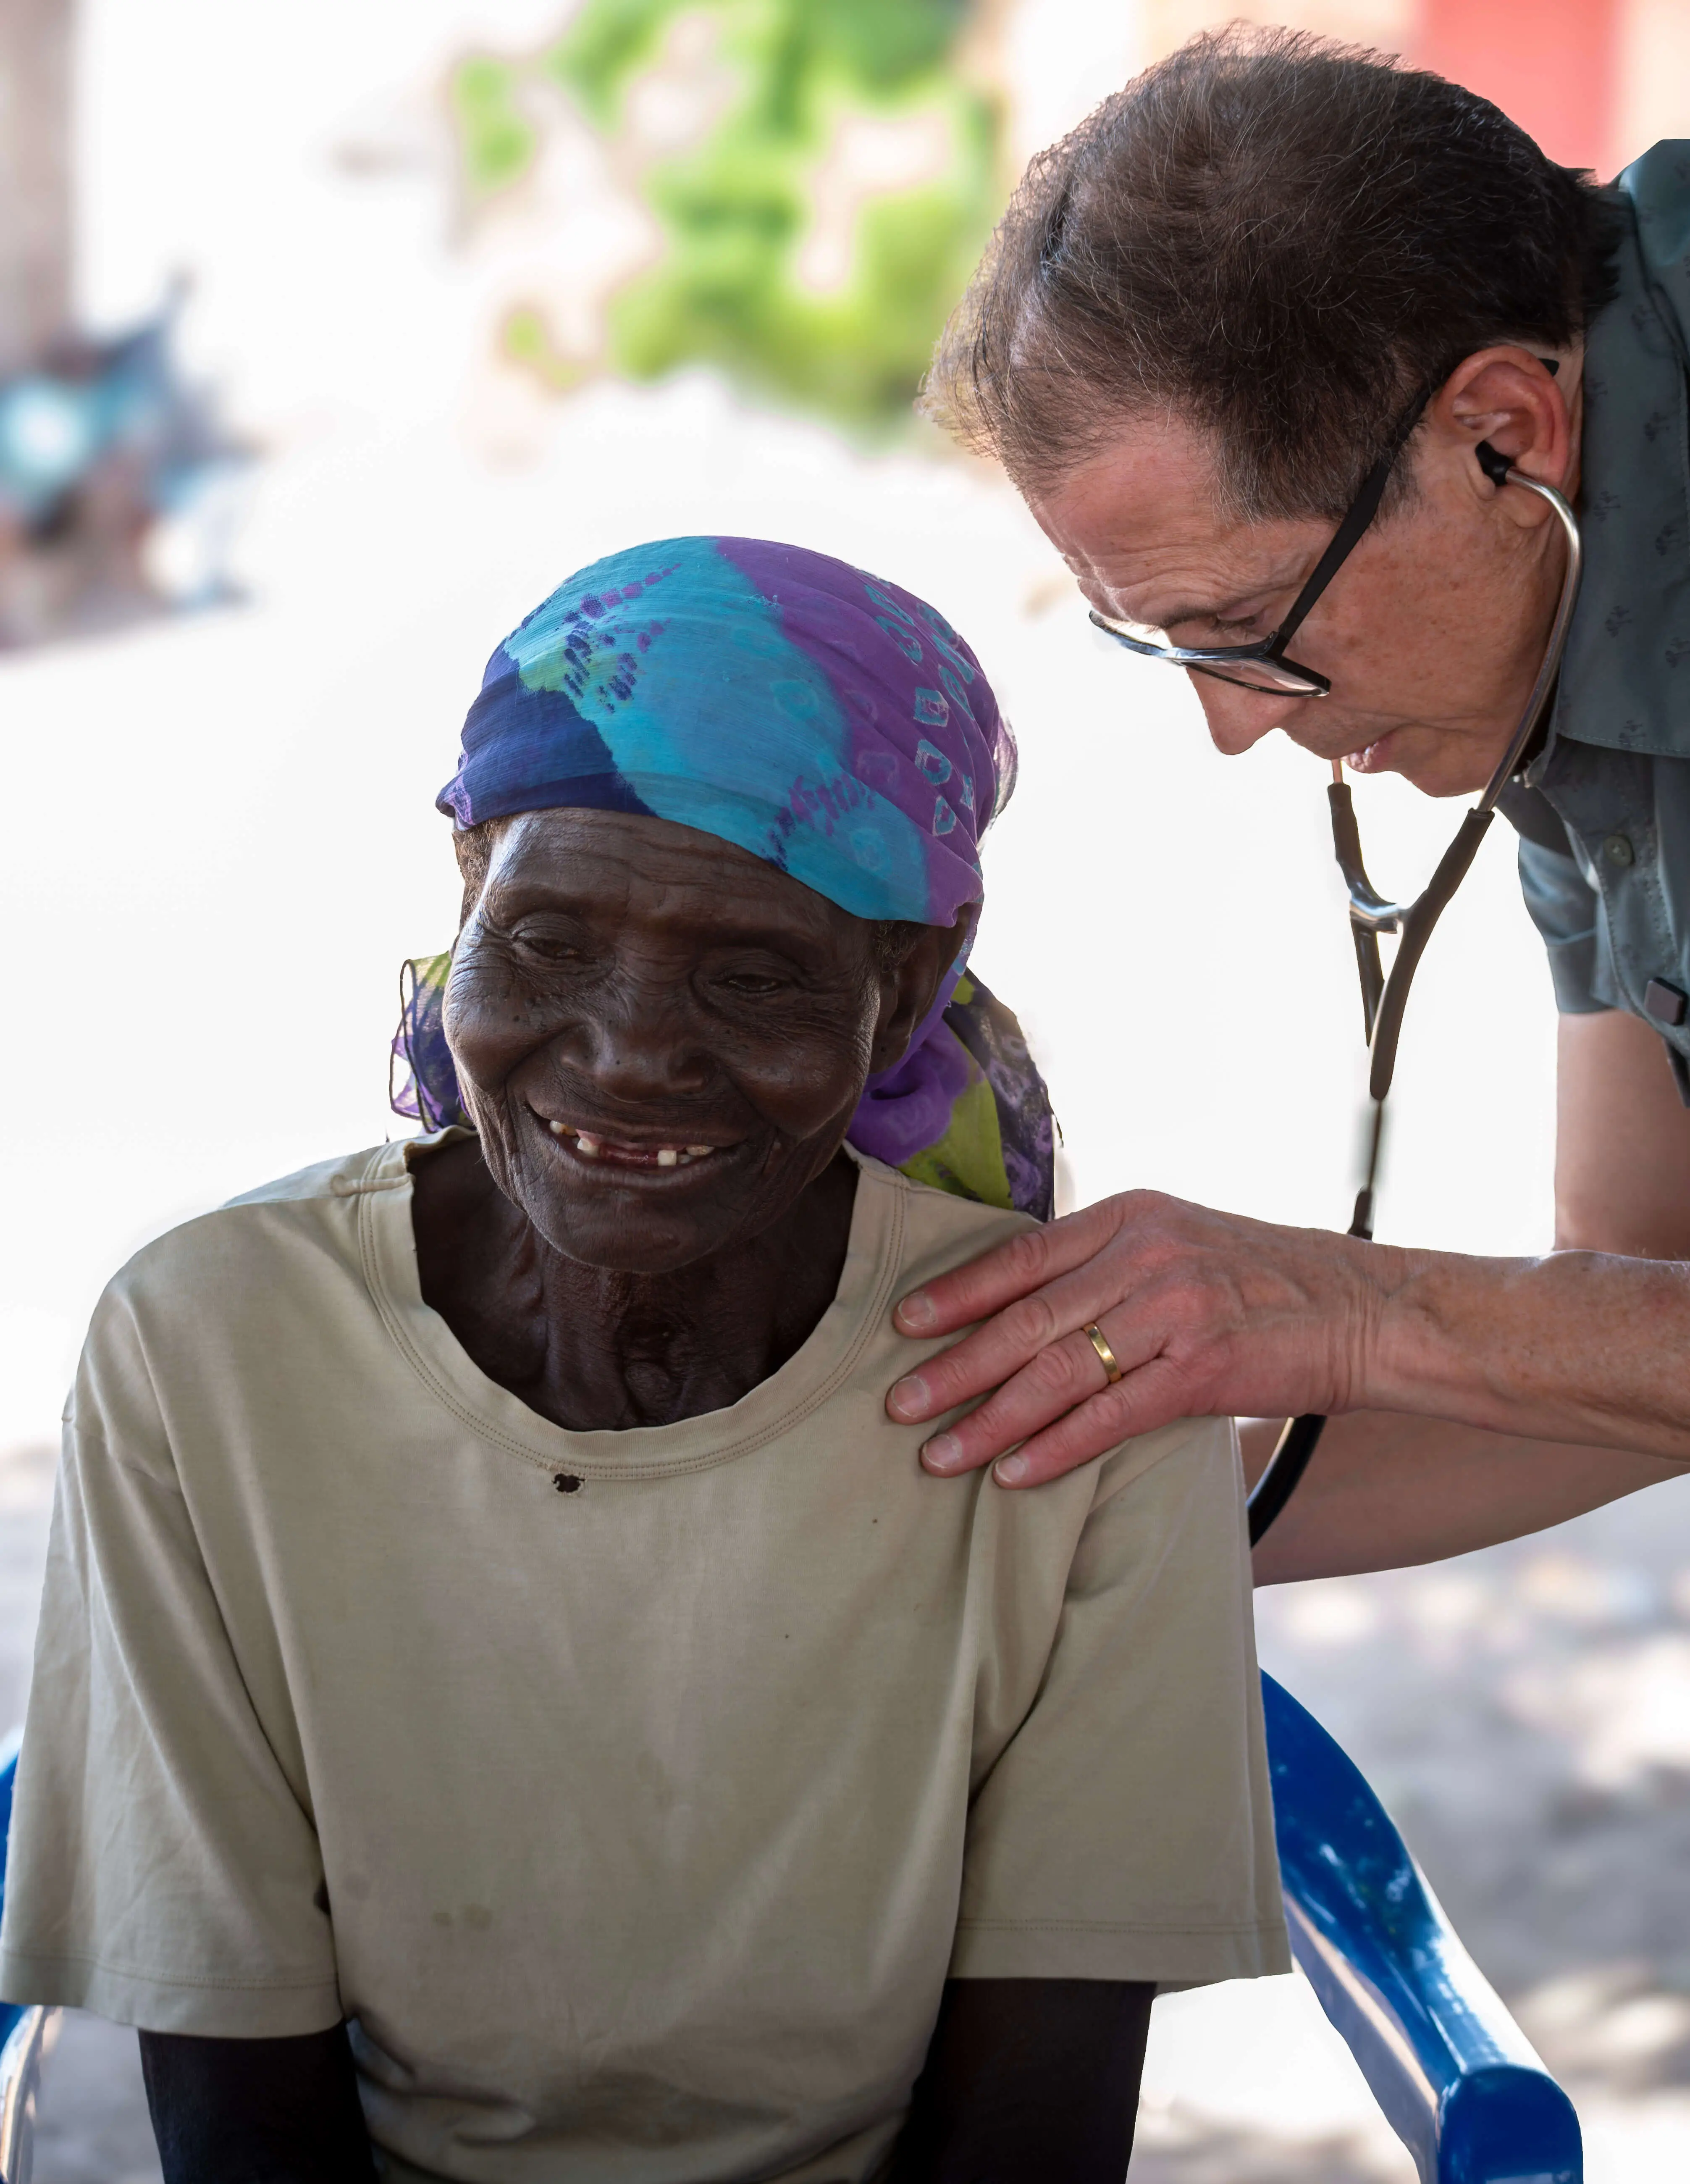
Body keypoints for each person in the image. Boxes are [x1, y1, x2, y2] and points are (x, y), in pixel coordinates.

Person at [0, 537, 1286, 2181]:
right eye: (545, 942)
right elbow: (243, 2115)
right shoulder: (212, 1349)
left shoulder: (1070, 1384)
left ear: (907, 982)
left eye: (751, 975)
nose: (622, 1058)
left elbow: (1030, 2137)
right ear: (466, 884)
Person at [881, 29, 1690, 1576]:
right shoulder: (1541, 620)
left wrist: (1355, 1313)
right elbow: (1639, 1305)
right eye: (1169, 646)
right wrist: (1023, 1569)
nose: (1242, 727)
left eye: (1257, 629)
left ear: (1503, 433)